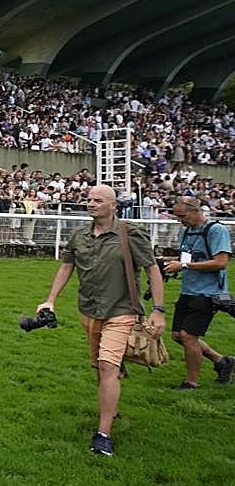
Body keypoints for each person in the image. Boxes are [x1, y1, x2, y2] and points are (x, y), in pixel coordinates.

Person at [38, 185, 166, 456]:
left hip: (121, 311)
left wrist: (158, 309)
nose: (91, 203)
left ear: (113, 206)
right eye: (89, 199)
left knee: (108, 366)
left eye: (98, 200)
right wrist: (50, 299)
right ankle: (112, 405)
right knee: (100, 366)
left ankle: (103, 434)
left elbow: (152, 269)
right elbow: (66, 267)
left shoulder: (130, 233)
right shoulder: (79, 235)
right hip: (89, 310)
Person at [163, 196, 234, 389]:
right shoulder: (187, 231)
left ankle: (192, 382)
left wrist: (184, 266)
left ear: (196, 210)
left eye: (182, 216)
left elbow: (221, 263)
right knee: (177, 335)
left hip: (208, 293)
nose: (179, 220)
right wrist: (170, 263)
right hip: (188, 290)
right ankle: (222, 361)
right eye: (177, 216)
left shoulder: (216, 230)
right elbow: (187, 259)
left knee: (188, 336)